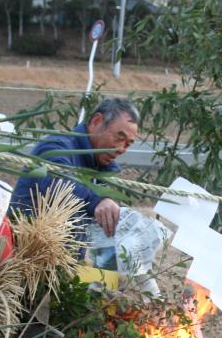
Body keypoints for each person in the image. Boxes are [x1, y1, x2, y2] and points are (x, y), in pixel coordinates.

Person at [9, 97, 138, 237]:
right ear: (97, 121)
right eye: (119, 138)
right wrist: (97, 201)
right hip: (24, 247)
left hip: (62, 256)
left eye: (127, 144)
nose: (121, 149)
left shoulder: (100, 168)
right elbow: (58, 182)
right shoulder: (56, 147)